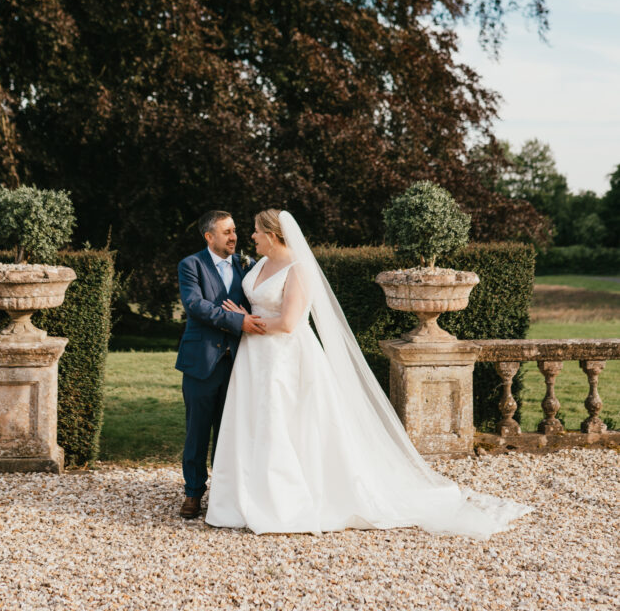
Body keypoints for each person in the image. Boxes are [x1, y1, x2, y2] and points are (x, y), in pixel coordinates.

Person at [205, 208, 531, 538]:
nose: (252, 236)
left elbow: (289, 323)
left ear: (273, 235)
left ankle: (284, 502)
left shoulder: (298, 269)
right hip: (254, 357)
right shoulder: (259, 264)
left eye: (257, 231)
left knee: (285, 423)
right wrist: (246, 318)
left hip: (285, 358)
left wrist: (246, 323)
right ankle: (248, 495)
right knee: (255, 422)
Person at [175, 210, 264, 519]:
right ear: (208, 237)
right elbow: (196, 306)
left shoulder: (246, 266)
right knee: (197, 432)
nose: (234, 236)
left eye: (235, 230)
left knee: (231, 433)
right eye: (226, 232)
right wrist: (237, 320)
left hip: (239, 363)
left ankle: (226, 495)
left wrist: (246, 316)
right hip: (201, 361)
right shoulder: (191, 265)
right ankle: (193, 493)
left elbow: (258, 304)